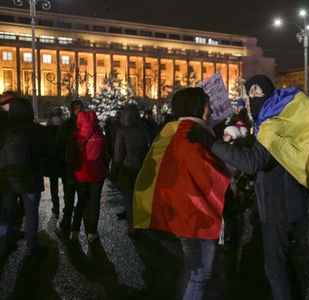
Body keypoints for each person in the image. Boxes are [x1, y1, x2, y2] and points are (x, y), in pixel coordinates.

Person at [187, 75, 309, 299]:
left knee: (275, 270)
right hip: (281, 202)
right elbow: (261, 157)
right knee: (282, 265)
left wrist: (212, 143)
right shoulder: (276, 119)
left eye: (250, 97)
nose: (249, 103)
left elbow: (254, 162)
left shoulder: (274, 123)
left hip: (279, 205)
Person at [134, 87, 230, 299]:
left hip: (188, 213)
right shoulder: (193, 135)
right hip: (196, 217)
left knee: (192, 271)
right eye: (207, 105)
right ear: (195, 107)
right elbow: (211, 174)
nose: (211, 110)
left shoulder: (179, 130)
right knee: (199, 274)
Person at [0, 98, 55, 257]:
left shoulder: (3, 128)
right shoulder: (38, 130)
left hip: (6, 180)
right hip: (31, 178)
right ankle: (32, 246)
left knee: (6, 212)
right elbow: (49, 153)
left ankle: (4, 243)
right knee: (31, 212)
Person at [66, 111, 109, 242]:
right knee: (95, 203)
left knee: (81, 201)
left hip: (80, 174)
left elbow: (69, 156)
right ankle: (92, 232)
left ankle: (74, 230)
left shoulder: (75, 136)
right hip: (96, 174)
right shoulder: (100, 136)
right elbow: (106, 155)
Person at [110, 104, 152, 235]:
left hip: (127, 169)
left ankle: (131, 227)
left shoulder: (122, 132)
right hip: (141, 168)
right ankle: (143, 224)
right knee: (140, 198)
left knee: (129, 199)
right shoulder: (143, 130)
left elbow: (118, 154)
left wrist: (114, 172)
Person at [55, 99, 85, 230]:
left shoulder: (87, 124)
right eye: (76, 107)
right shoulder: (67, 125)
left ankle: (82, 224)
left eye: (80, 107)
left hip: (84, 165)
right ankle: (67, 220)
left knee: (83, 196)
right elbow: (59, 142)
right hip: (70, 165)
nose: (78, 109)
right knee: (69, 194)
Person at [43, 107, 65, 216]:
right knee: (67, 184)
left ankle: (56, 207)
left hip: (52, 161)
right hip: (63, 161)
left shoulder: (48, 128)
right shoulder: (64, 127)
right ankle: (68, 205)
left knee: (54, 185)